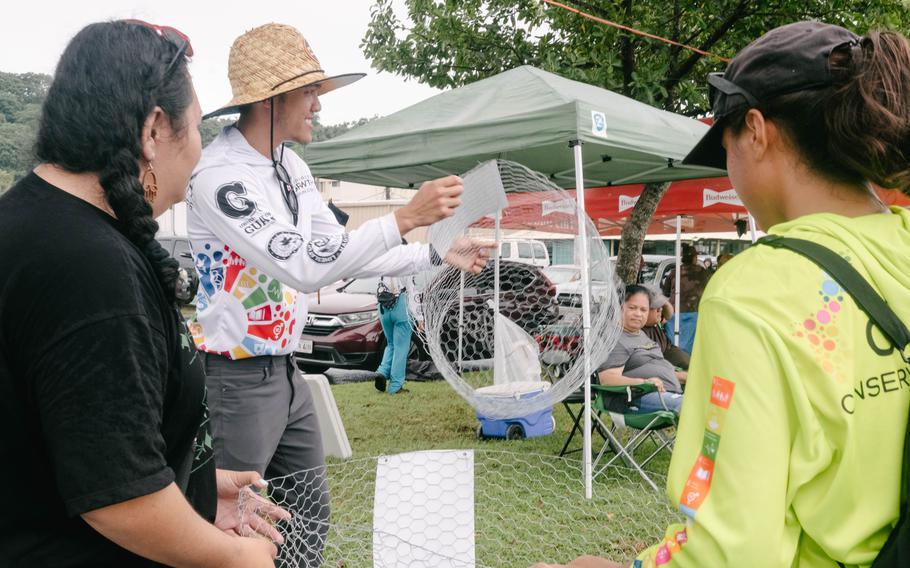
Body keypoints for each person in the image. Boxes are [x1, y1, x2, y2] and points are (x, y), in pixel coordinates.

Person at [536, 20, 910, 567]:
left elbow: (735, 551)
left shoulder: (754, 293)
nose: (731, 171)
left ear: (756, 130)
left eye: (726, 146)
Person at [186, 23, 489, 564]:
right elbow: (301, 265)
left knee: (308, 511)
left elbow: (338, 251)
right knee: (236, 526)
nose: (318, 107)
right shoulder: (219, 176)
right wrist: (404, 217)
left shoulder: (292, 167)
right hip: (234, 376)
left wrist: (436, 254)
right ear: (273, 97)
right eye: (310, 92)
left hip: (286, 370)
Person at [0, 21, 283, 567]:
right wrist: (233, 559)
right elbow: (118, 496)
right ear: (154, 129)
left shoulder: (35, 225)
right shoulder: (89, 269)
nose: (201, 151)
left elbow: (77, 435)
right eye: (198, 128)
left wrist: (192, 488)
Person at [597, 285, 686, 415]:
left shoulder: (640, 334)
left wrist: (685, 376)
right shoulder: (615, 339)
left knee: (717, 401)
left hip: (667, 393)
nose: (638, 314)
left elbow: (653, 370)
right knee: (693, 408)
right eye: (632, 308)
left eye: (644, 310)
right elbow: (607, 380)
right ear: (619, 308)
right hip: (635, 399)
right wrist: (644, 383)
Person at [661, 243, 711, 353]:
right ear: (695, 258)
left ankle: (677, 362)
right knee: (691, 345)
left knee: (674, 343)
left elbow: (666, 292)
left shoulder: (674, 272)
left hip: (674, 312)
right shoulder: (703, 272)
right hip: (695, 311)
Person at [374, 273, 415, 394]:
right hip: (401, 306)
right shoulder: (406, 265)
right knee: (401, 348)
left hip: (383, 307)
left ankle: (382, 371)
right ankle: (395, 387)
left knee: (391, 344)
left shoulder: (384, 263)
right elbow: (412, 291)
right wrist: (419, 317)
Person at [641, 284, 690, 370]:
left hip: (669, 352)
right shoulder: (638, 332)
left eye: (661, 306)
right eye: (655, 307)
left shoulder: (655, 320)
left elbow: (668, 315)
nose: (660, 310)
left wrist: (662, 300)